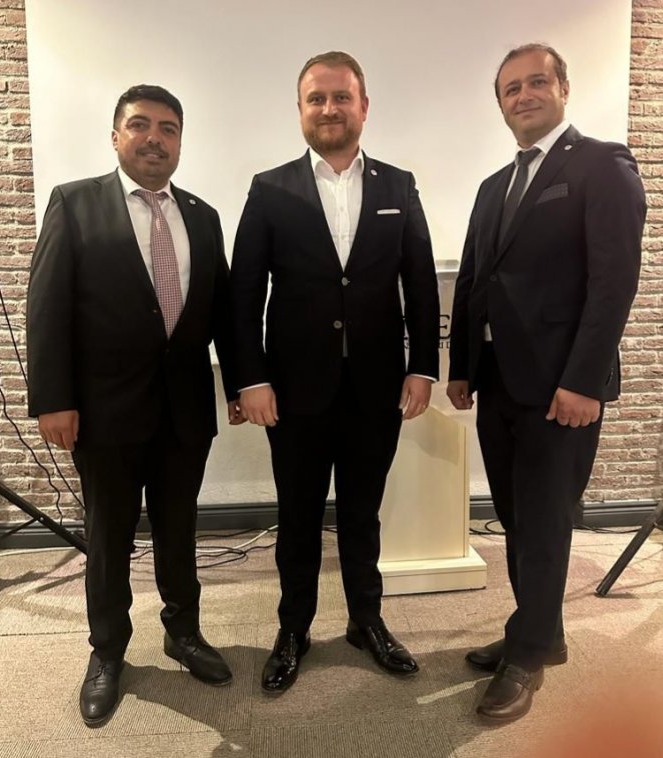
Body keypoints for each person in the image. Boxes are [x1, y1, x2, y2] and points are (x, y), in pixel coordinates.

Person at [26, 85, 243, 726]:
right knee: (109, 535)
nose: (155, 138)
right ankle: (107, 652)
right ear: (115, 136)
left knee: (179, 529)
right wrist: (53, 399)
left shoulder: (203, 215)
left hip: (184, 411)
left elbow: (225, 314)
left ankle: (184, 632)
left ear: (180, 141)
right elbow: (48, 307)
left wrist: (239, 385)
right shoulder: (75, 203)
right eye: (140, 125)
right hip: (104, 412)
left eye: (168, 128)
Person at [447, 44, 646, 723]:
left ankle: (528, 654)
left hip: (563, 388)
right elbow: (474, 281)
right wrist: (462, 367)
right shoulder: (492, 187)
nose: (523, 95)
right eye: (511, 88)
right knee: (514, 515)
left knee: (546, 520)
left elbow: (614, 281)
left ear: (563, 88)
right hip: (500, 382)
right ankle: (538, 630)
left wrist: (584, 380)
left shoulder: (602, 164)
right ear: (500, 103)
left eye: (536, 82)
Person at [230, 51, 440, 693]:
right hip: (294, 390)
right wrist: (249, 378)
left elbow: (420, 284)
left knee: (362, 512)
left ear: (363, 107)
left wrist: (423, 367)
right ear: (300, 110)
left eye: (341, 97)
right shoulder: (270, 188)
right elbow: (244, 293)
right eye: (316, 98)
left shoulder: (399, 186)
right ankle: (293, 628)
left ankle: (365, 621)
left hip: (377, 386)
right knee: (297, 514)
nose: (329, 108)